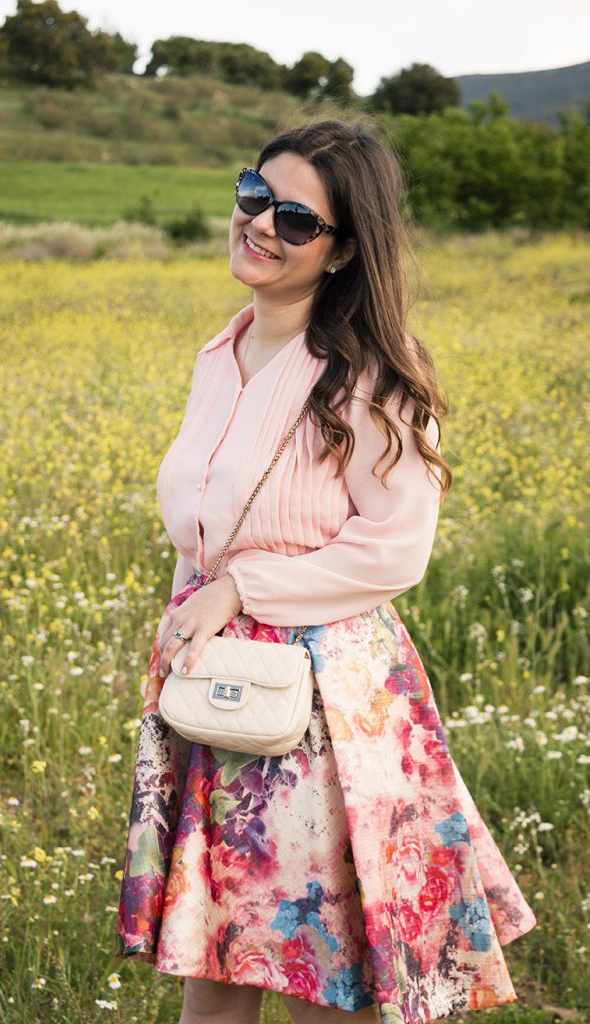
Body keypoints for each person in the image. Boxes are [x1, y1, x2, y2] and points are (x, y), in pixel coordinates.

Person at [115, 119, 537, 1024]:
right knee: (217, 954)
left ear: (343, 250)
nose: (260, 224)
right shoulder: (220, 355)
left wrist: (240, 588)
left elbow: (395, 548)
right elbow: (205, 527)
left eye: (296, 220)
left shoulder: (371, 375)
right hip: (220, 685)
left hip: (324, 702)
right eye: (253, 195)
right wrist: (195, 606)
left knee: (320, 973)